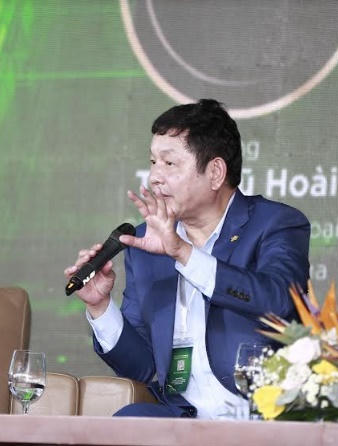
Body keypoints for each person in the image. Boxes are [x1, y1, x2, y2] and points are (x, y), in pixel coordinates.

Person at [64, 99, 310, 419]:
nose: (155, 177)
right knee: (129, 421)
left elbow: (279, 300)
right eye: (153, 162)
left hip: (258, 415)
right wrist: (100, 307)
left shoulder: (275, 223)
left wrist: (183, 252)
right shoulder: (145, 242)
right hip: (182, 418)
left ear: (215, 172)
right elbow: (142, 367)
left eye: (169, 163)